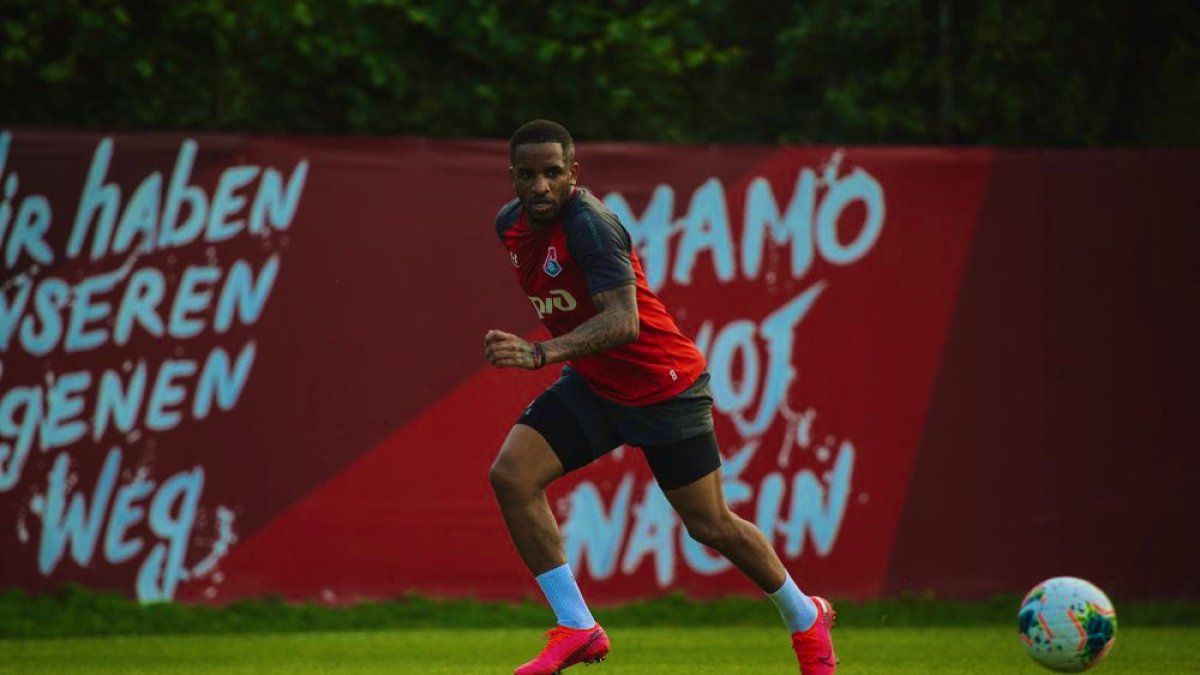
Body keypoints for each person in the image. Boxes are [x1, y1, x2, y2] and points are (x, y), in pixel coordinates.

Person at [485, 119, 837, 675]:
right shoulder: (510, 226)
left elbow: (623, 322)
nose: (541, 186)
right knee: (512, 476)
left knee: (710, 524)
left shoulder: (591, 226)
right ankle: (577, 626)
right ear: (512, 178)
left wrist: (539, 355)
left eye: (553, 173)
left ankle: (805, 616)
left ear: (573, 173)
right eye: (528, 175)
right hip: (597, 385)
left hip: (663, 387)